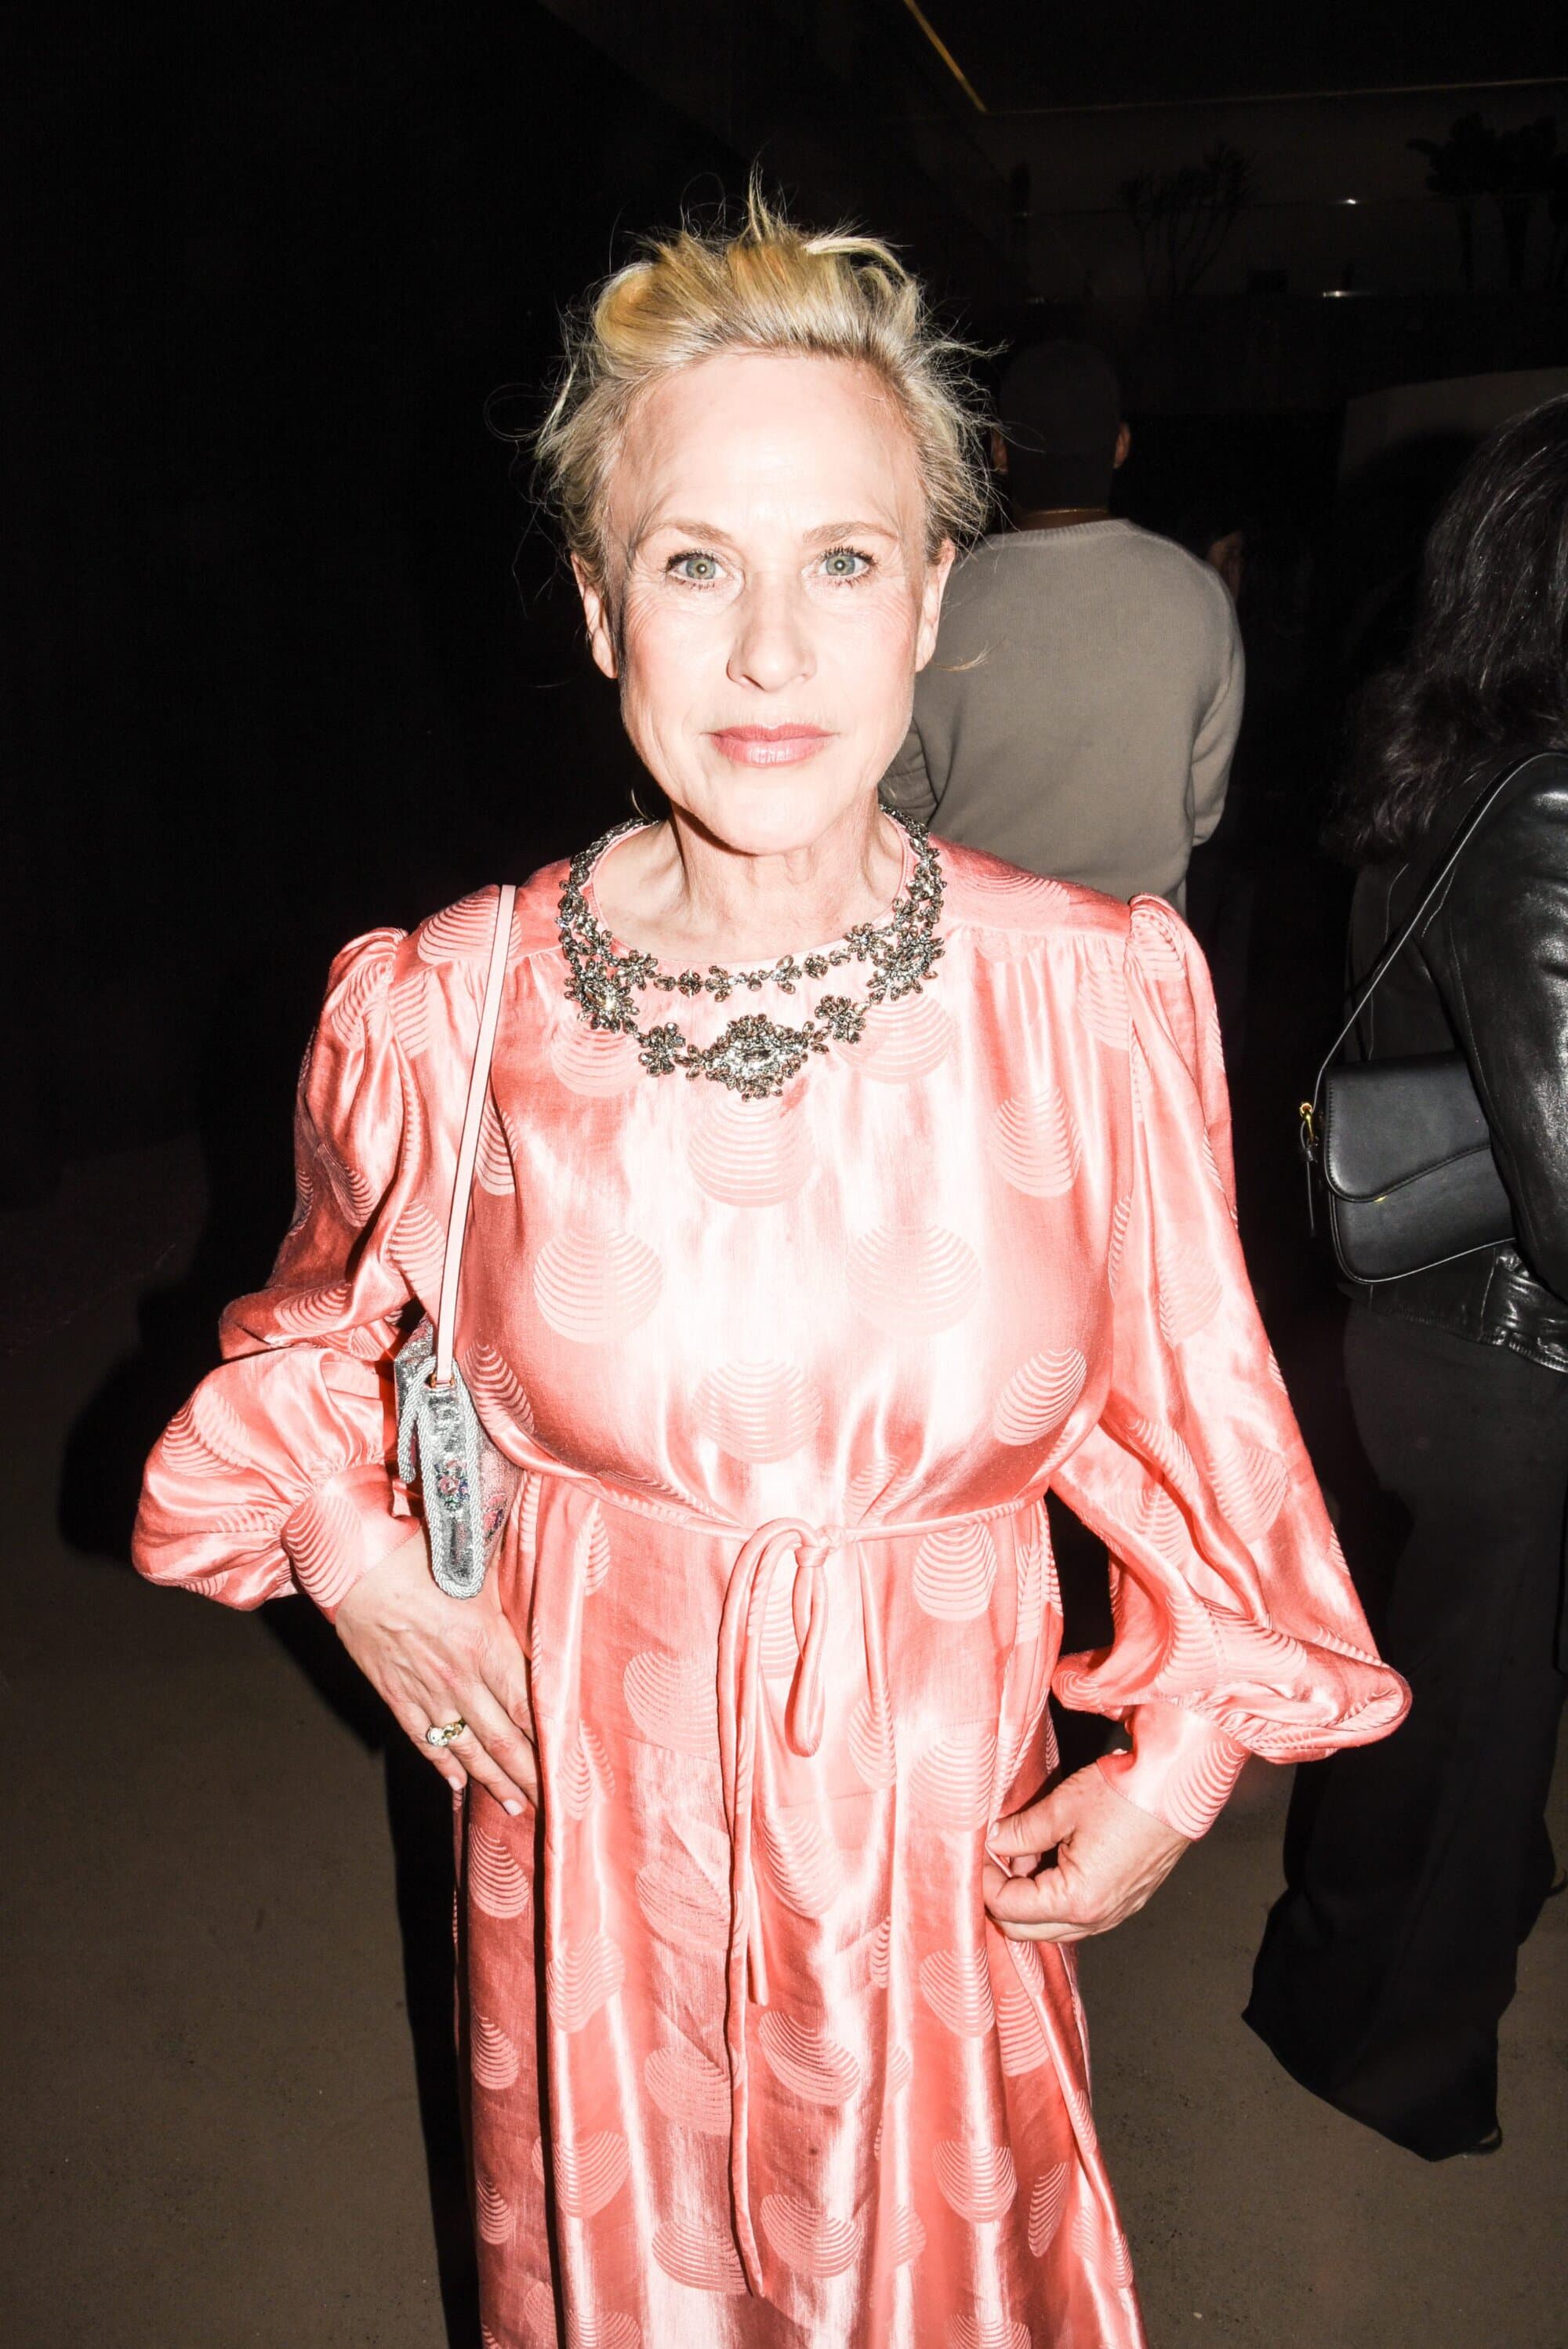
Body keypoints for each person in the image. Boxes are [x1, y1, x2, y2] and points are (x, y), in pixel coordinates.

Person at [134, 193, 1405, 2348]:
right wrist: (352, 1549)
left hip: (931, 1873)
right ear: (596, 603)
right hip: (594, 1869)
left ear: (932, 597)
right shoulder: (447, 1011)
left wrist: (1180, 1764)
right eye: (693, 565)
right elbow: (308, 1347)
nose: (767, 653)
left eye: (839, 562)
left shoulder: (1087, 998)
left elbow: (1203, 1410)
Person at [1247, 393, 1568, 2162]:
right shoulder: (1548, 802)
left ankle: (1366, 1980)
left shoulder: (1445, 753)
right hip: (1506, 1352)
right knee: (1458, 1740)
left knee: (1452, 1714)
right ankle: (1373, 2042)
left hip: (1442, 1336)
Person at [880, 339, 1243, 913]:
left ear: (999, 451)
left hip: (976, 939)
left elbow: (903, 800)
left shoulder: (937, 598)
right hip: (1134, 944)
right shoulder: (1200, 595)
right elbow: (1200, 815)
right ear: (1120, 446)